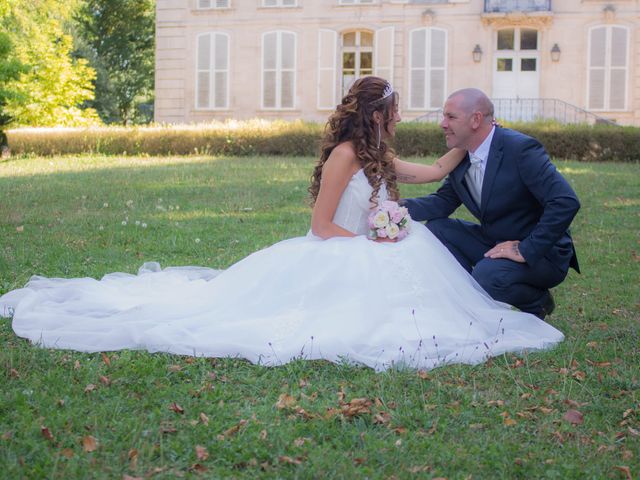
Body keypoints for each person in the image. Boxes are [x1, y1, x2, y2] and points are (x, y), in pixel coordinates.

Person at [0, 78, 564, 371]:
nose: (405, 119)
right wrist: (377, 243)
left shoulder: (380, 157)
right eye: (396, 112)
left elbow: (438, 169)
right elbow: (322, 227)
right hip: (337, 250)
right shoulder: (347, 155)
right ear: (377, 115)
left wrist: (476, 139)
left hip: (375, 244)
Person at [403, 88, 580, 319]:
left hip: (544, 254)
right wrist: (394, 209)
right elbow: (443, 202)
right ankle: (469, 307)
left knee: (488, 276)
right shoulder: (462, 155)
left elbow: (565, 201)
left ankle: (538, 301)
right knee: (437, 230)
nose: (442, 124)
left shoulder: (520, 149)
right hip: (496, 241)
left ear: (476, 119)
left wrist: (525, 249)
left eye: (451, 117)